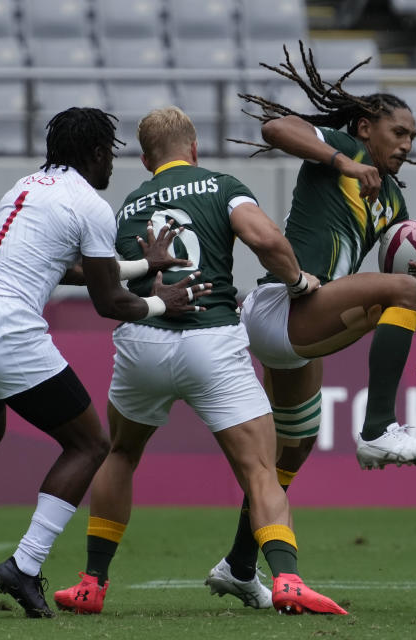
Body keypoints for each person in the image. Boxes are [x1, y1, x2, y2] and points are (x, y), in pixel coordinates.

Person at [0, 107, 206, 618]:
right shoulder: (90, 204)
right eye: (109, 153)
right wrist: (159, 302)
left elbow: (60, 266)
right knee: (90, 444)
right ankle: (24, 563)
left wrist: (144, 265)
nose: (112, 164)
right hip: (5, 329)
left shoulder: (24, 186)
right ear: (96, 152)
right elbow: (109, 301)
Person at [52, 106, 345, 616]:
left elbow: (94, 273)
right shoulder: (221, 185)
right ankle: (289, 581)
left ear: (145, 160)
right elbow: (266, 240)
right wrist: (298, 282)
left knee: (120, 454)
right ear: (194, 149)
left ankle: (91, 583)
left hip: (143, 341)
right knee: (259, 470)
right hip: (211, 342)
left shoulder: (125, 206)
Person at [204, 42, 416, 609]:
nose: (407, 145)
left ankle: (240, 565)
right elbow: (275, 127)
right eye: (399, 133)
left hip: (303, 320)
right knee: (403, 293)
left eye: (413, 137)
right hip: (281, 304)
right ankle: (377, 429)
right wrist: (340, 159)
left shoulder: (389, 195)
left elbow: (409, 257)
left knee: (292, 450)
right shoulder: (340, 150)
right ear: (365, 128)